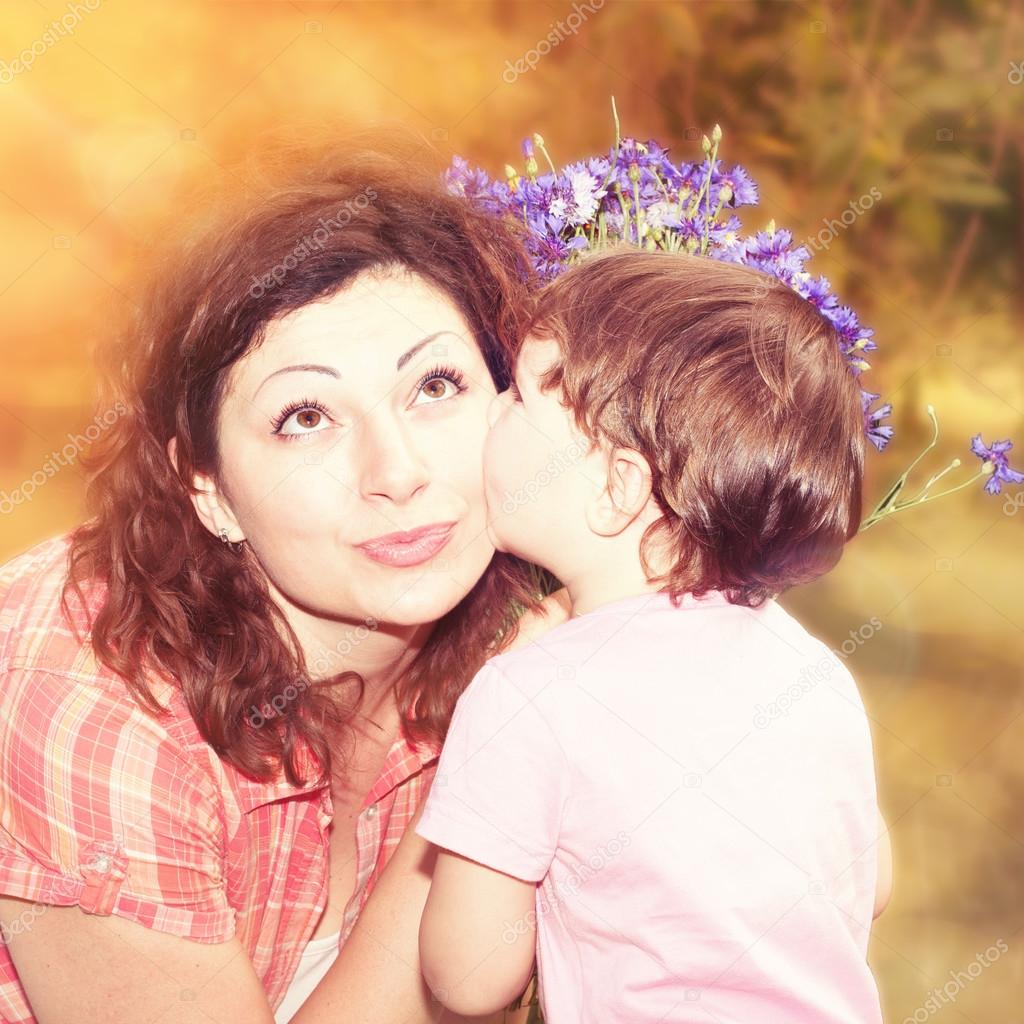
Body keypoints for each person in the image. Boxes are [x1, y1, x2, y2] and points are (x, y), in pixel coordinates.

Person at [0, 126, 569, 1024]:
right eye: (306, 416)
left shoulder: (544, 616)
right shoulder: (89, 705)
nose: (397, 472)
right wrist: (503, 755)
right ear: (208, 487)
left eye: (435, 386)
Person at [415, 247, 893, 1022]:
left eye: (516, 400)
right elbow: (871, 885)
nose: (489, 413)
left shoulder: (528, 689)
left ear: (618, 488)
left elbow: (469, 977)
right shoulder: (812, 673)